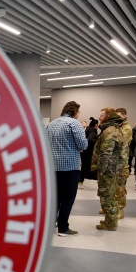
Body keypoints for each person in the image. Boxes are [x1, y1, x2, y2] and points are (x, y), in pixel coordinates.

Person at [46, 101, 88, 236]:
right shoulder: (74, 123)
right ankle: (63, 227)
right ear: (74, 112)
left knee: (56, 197)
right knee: (68, 198)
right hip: (70, 167)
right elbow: (83, 144)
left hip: (53, 167)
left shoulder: (51, 124)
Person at [92, 107, 125, 231]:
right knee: (110, 194)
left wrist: (100, 168)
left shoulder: (110, 132)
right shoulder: (114, 130)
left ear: (108, 117)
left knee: (107, 195)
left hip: (107, 169)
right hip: (112, 168)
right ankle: (110, 220)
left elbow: (106, 153)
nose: (99, 118)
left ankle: (110, 223)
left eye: (101, 116)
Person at [114, 107, 132, 219]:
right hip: (113, 162)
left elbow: (120, 142)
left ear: (124, 116)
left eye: (119, 116)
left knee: (120, 188)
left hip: (121, 163)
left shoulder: (126, 128)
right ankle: (112, 207)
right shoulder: (117, 127)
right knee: (112, 187)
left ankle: (120, 209)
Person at [78, 117, 98, 189]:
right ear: (96, 125)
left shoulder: (88, 130)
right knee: (85, 167)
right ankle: (80, 181)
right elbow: (90, 140)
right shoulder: (93, 131)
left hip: (85, 152)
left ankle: (81, 180)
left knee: (84, 166)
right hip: (88, 153)